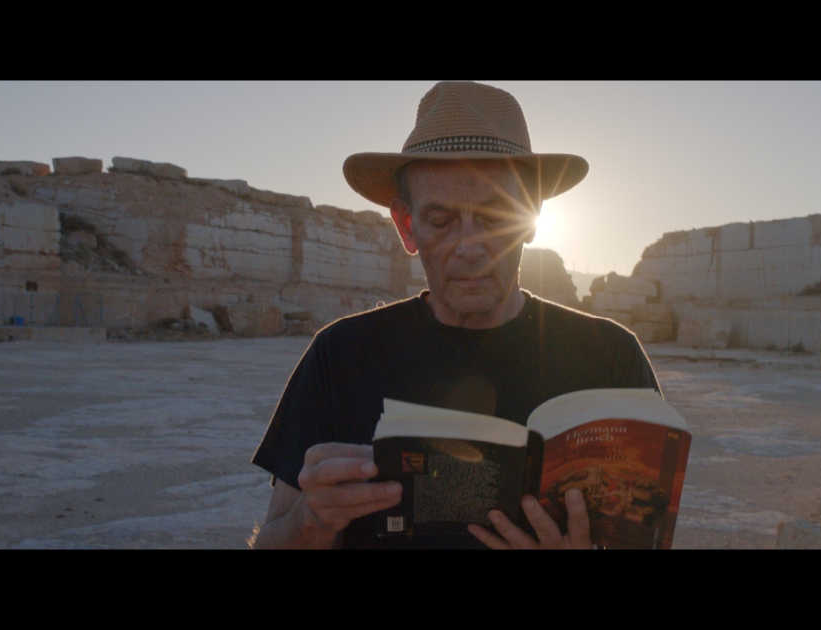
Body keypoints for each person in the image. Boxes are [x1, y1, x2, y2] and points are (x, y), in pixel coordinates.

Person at [248, 81, 661, 549]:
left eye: (494, 217)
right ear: (407, 226)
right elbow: (274, 538)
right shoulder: (339, 354)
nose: (470, 247)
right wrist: (310, 520)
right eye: (442, 221)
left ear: (531, 217)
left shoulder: (611, 357)